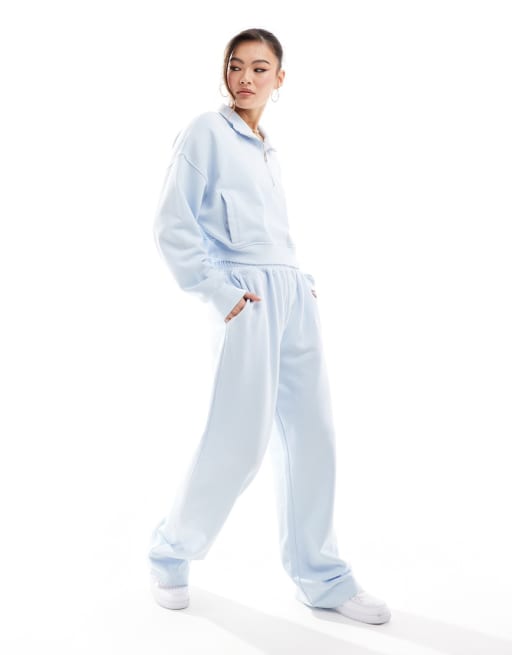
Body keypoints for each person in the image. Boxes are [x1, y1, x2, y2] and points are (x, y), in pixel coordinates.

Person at [147, 28, 391, 625]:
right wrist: (219, 291)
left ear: (279, 79)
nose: (246, 78)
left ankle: (322, 576)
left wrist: (298, 282)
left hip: (292, 294)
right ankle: (170, 553)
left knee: (313, 436)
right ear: (224, 73)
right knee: (238, 441)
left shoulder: (266, 148)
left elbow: (268, 230)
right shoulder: (205, 132)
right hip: (246, 298)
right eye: (236, 66)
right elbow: (172, 223)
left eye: (260, 68)